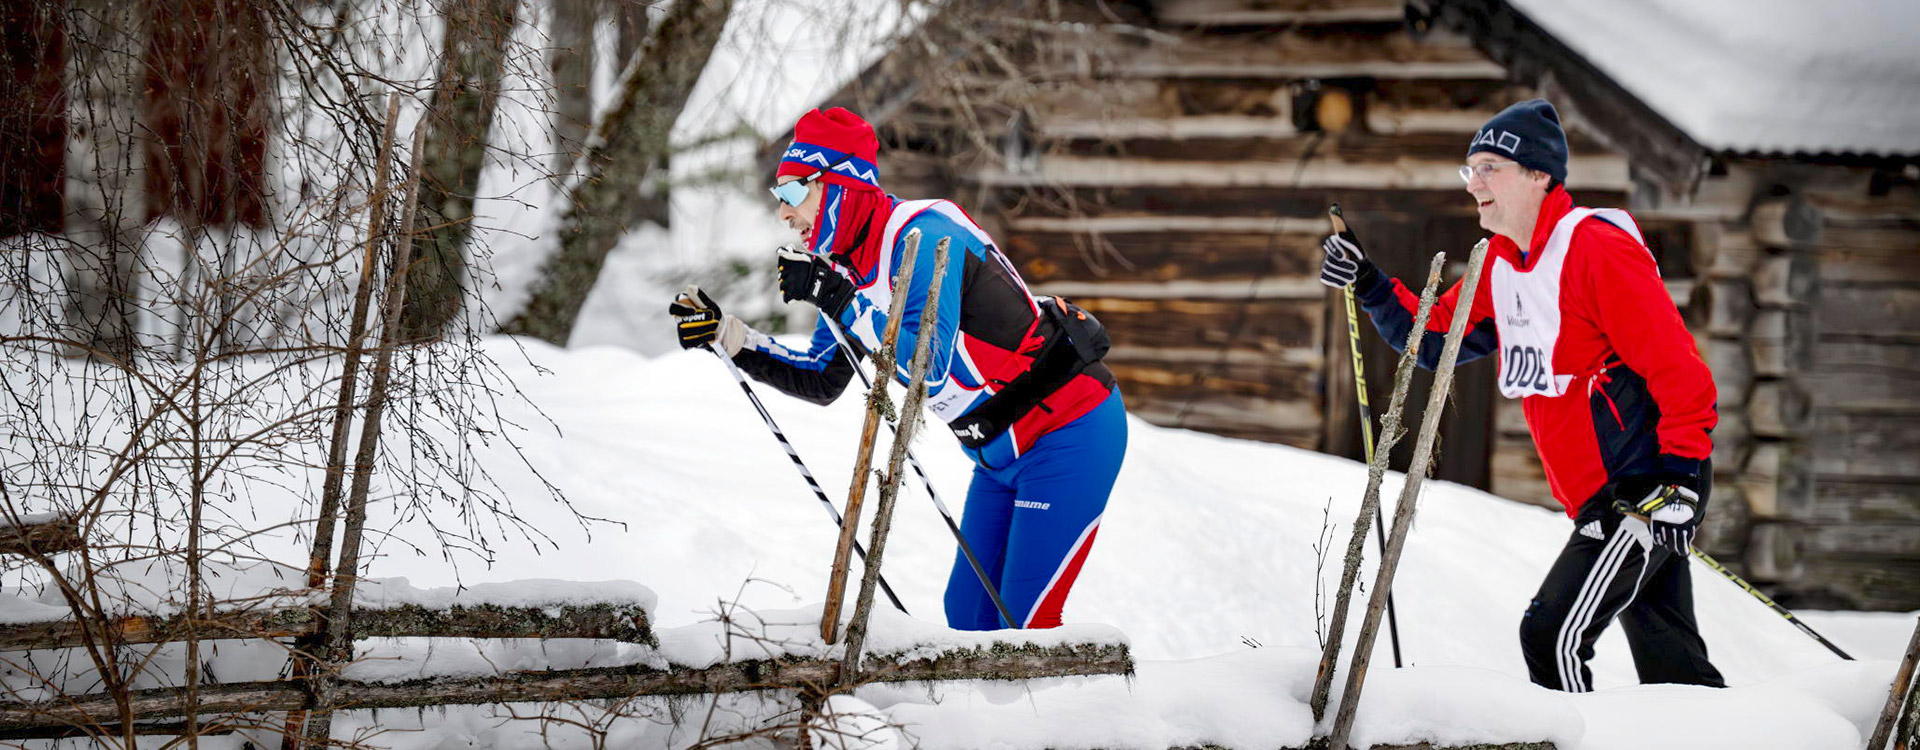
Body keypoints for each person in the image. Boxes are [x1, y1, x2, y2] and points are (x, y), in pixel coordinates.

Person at [1319, 99, 1724, 692]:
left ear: (1539, 175)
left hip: (1645, 485)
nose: (1473, 184)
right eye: (1470, 169)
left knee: (1551, 635)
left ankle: (1575, 734)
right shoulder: (1501, 266)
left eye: (1490, 168)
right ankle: (1726, 729)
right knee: (1673, 665)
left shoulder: (1594, 248)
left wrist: (1681, 477)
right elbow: (1433, 340)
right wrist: (1369, 282)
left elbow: (1676, 365)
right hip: (1599, 494)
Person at [668, 107, 1126, 631]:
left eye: (793, 192)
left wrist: (840, 300)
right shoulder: (845, 270)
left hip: (1068, 431)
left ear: (839, 186)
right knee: (968, 619)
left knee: (1024, 624)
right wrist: (730, 337)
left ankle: (1104, 691)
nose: (784, 214)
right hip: (997, 456)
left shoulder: (926, 236)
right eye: (779, 197)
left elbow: (928, 368)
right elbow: (821, 376)